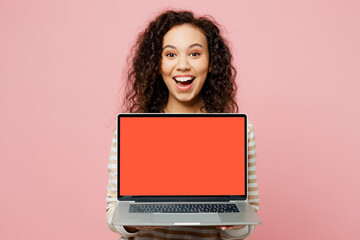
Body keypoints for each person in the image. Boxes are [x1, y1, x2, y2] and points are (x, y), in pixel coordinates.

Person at [106, 10, 259, 239]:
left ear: (211, 63)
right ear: (157, 64)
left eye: (195, 53)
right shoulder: (133, 132)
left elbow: (248, 216)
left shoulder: (239, 132)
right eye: (170, 55)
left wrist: (235, 226)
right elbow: (113, 213)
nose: (183, 65)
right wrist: (134, 223)